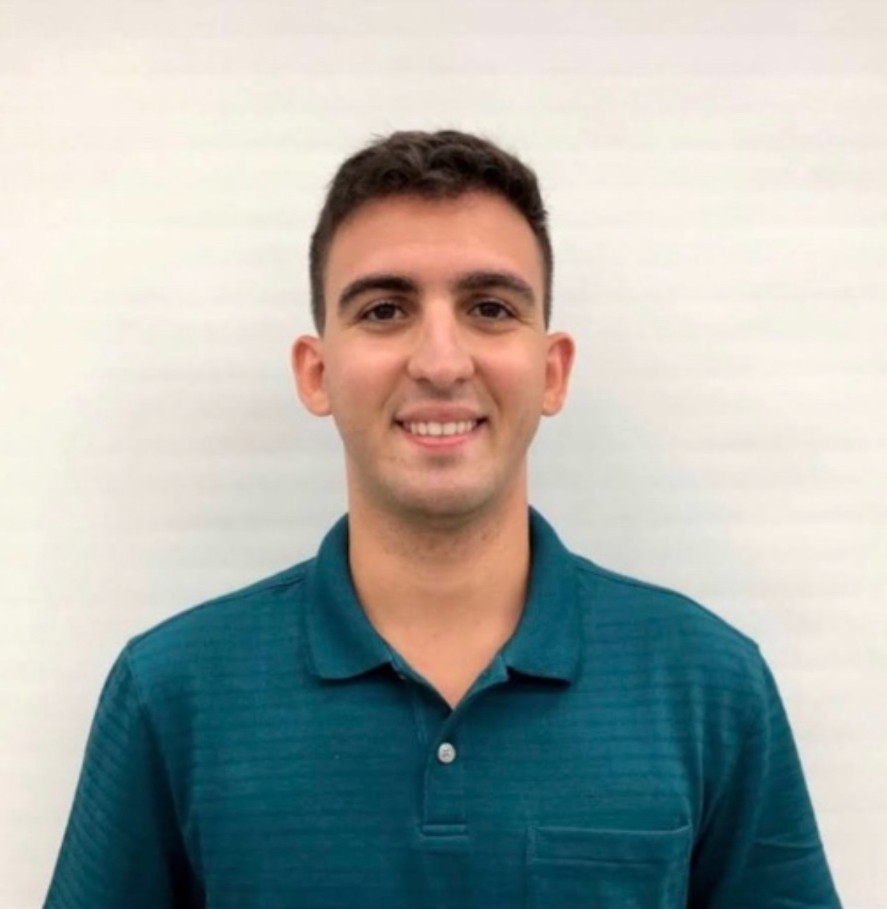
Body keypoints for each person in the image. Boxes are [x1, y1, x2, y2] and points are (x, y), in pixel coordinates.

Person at [44, 129, 841, 909]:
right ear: (317, 373)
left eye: (489, 307)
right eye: (384, 309)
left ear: (551, 371)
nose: (439, 361)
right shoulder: (171, 692)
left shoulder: (707, 685)